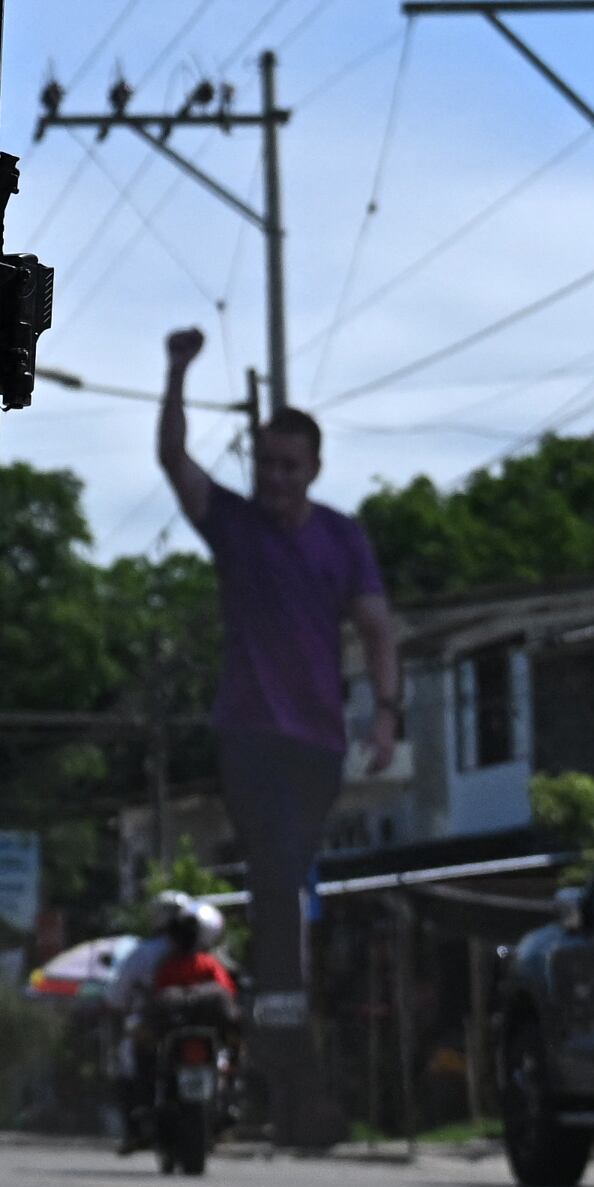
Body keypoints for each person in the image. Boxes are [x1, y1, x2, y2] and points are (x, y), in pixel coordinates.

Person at [156, 330, 403, 1021]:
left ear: (314, 469)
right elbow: (174, 459)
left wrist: (385, 715)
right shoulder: (235, 523)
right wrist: (177, 374)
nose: (275, 477)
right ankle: (283, 1006)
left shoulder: (341, 537)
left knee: (290, 869)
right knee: (273, 861)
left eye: (289, 466)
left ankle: (290, 992)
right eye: (266, 463)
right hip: (248, 731)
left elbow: (380, 628)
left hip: (319, 739)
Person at [107, 891, 238, 1150]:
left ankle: (141, 1120)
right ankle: (227, 1104)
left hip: (171, 1030)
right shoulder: (209, 961)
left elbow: (118, 997)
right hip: (193, 1031)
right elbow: (228, 992)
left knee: (132, 1057)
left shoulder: (148, 957)